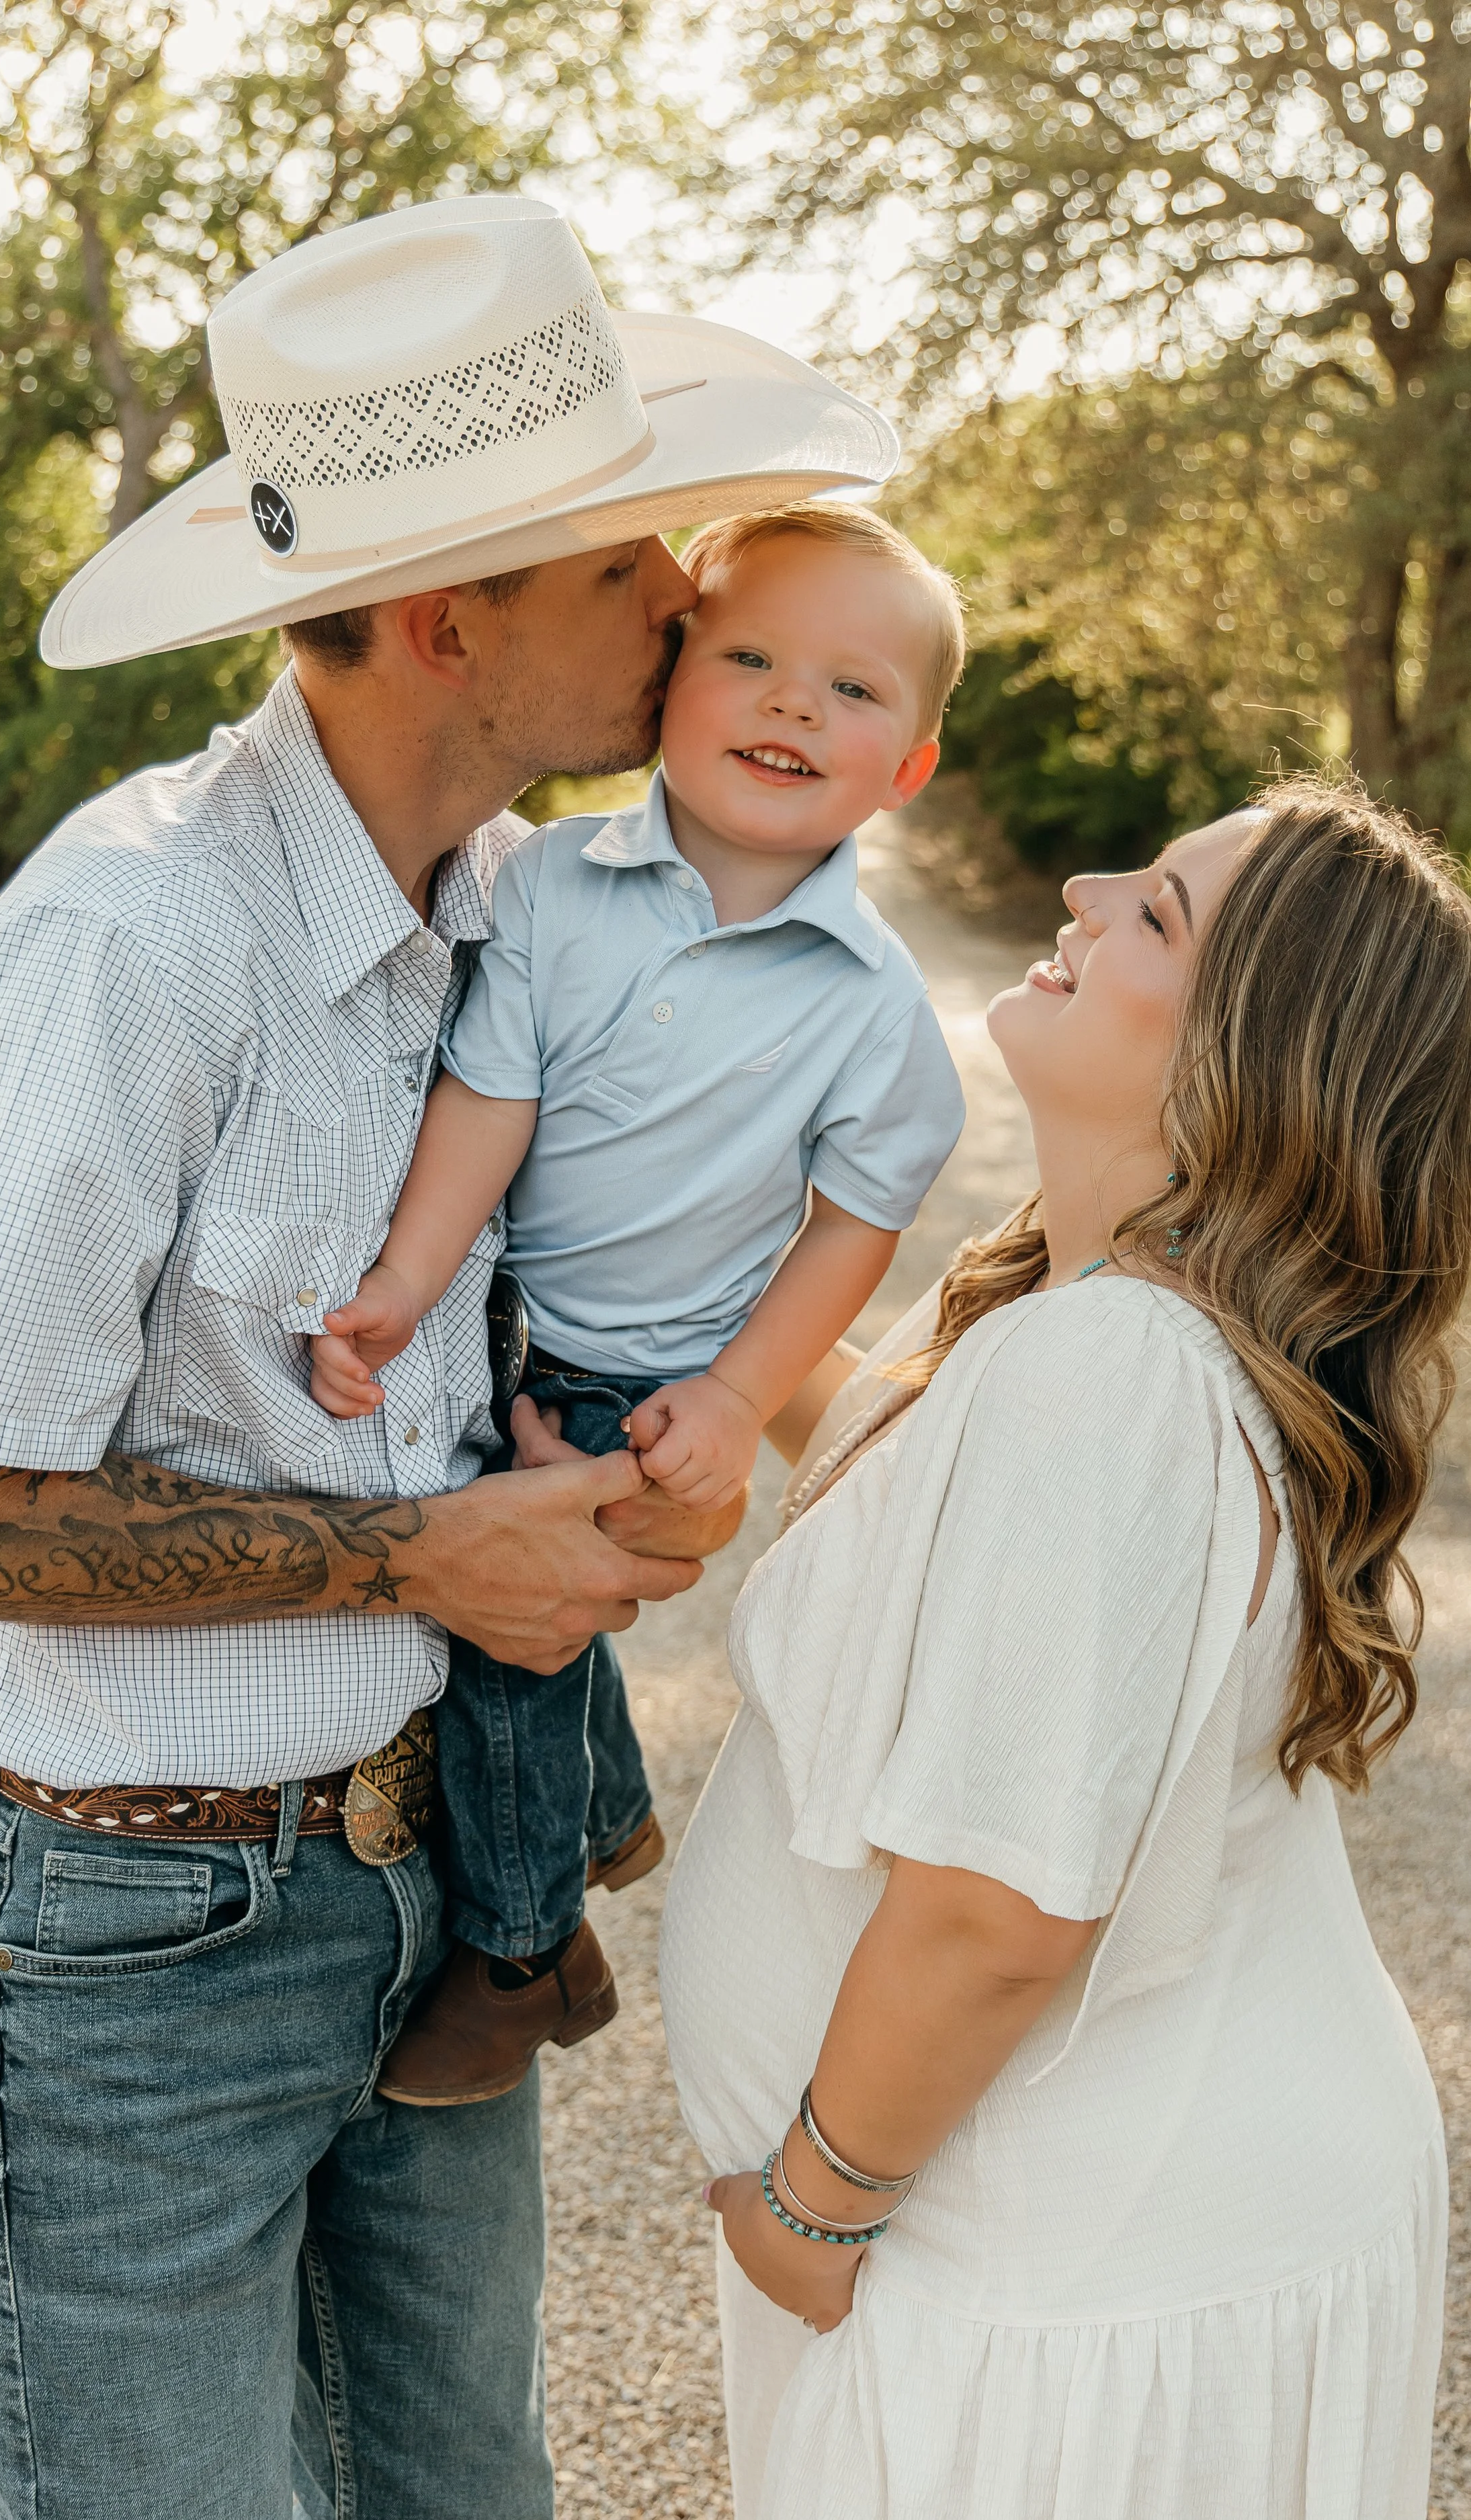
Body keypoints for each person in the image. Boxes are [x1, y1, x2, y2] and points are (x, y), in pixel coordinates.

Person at [0, 195, 900, 2520]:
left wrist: (654, 1467)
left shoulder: (524, 908)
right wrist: (431, 1557)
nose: (693, 601)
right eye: (633, 567)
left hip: (437, 1898)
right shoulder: (128, 952)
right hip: (131, 1947)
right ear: (444, 620)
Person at [659, 773, 1471, 2519]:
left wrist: (812, 2207)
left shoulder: (1107, 1376)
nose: (1088, 879)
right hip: (1138, 2223)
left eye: (1158, 909)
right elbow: (907, 1479)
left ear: (1253, 1064)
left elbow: (996, 1908)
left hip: (1065, 2285)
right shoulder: (1087, 1309)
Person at [310, 501, 966, 2106]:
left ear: (909, 769)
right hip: (504, 1322)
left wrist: (742, 1399)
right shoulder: (549, 889)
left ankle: (522, 1954)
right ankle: (602, 1815)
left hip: (658, 1375)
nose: (790, 704)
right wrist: (404, 1278)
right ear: (669, 682)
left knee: (502, 1657)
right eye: (745, 657)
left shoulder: (872, 1007)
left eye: (850, 690)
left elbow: (850, 1230)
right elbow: (488, 1098)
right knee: (496, 1585)